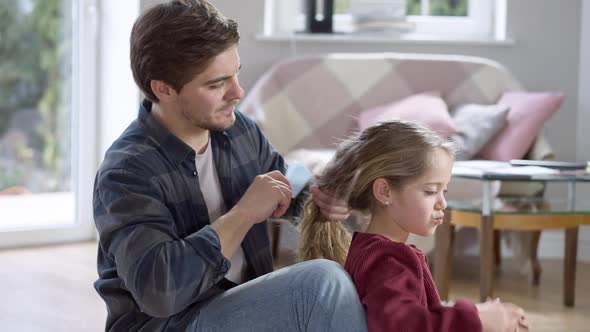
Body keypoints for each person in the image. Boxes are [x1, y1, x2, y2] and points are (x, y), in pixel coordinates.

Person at [92, 0, 366, 331]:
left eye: (235, 74)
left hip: (240, 305)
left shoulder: (239, 131)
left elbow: (287, 191)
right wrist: (243, 214)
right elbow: (159, 294)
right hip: (170, 324)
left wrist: (320, 199)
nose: (237, 92)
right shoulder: (126, 171)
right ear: (162, 89)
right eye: (216, 84)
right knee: (322, 283)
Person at [299, 120, 530, 332]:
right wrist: (476, 320)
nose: (443, 203)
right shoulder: (387, 261)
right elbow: (403, 326)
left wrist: (483, 314)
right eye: (430, 191)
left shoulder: (377, 252)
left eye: (444, 191)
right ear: (384, 191)